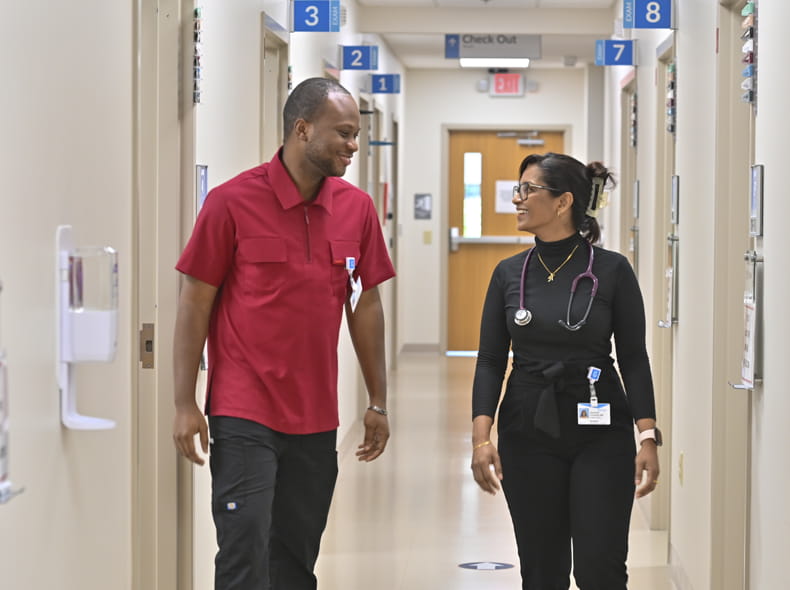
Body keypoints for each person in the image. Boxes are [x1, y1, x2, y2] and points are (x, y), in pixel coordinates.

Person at [172, 77, 395, 590]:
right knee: (244, 543)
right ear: (302, 129)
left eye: (356, 133)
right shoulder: (231, 202)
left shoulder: (356, 209)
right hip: (244, 408)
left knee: (295, 556)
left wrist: (377, 400)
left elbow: (366, 302)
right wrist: (185, 401)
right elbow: (195, 302)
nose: (353, 145)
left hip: (316, 415)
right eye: (343, 132)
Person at [470, 152, 661, 590]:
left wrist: (647, 434)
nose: (517, 199)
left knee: (600, 568)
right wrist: (481, 438)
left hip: (600, 430)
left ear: (562, 202)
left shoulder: (611, 270)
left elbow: (633, 356)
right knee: (542, 570)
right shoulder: (508, 274)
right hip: (527, 429)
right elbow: (490, 360)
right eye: (518, 189)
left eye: (528, 190)